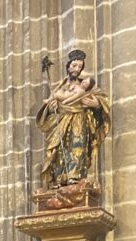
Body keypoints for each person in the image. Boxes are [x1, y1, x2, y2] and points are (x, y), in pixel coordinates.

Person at [36, 49, 111, 188]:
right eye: (74, 65)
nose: (77, 69)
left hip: (79, 120)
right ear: (68, 65)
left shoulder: (86, 87)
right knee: (59, 150)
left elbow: (101, 100)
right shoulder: (60, 86)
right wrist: (52, 107)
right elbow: (50, 107)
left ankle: (74, 178)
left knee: (77, 146)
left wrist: (97, 104)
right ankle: (58, 179)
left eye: (80, 66)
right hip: (62, 121)